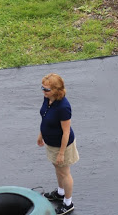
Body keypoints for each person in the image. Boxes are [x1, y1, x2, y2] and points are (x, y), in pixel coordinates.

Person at [37, 74, 79, 215]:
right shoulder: (48, 98)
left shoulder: (63, 107)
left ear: (56, 90)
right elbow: (44, 117)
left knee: (64, 172)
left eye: (47, 89)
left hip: (62, 146)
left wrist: (61, 153)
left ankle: (68, 203)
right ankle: (60, 193)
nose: (43, 91)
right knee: (57, 167)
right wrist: (41, 134)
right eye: (42, 88)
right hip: (51, 142)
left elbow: (66, 132)